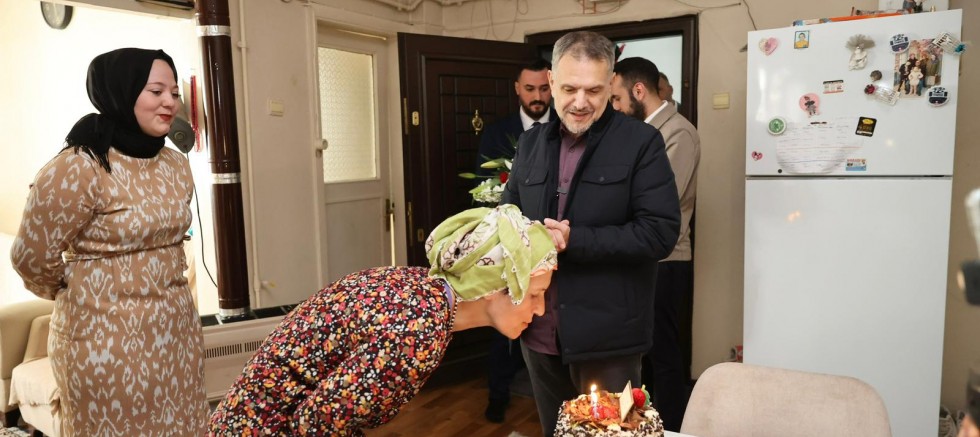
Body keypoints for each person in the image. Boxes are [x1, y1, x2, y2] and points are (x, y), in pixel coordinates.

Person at [207, 205, 558, 436]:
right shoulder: (416, 333)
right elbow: (314, 427)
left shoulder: (421, 288)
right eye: (534, 293)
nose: (540, 309)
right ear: (492, 287)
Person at [10, 48, 208, 435]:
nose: (170, 102)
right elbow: (31, 258)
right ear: (120, 92)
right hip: (101, 343)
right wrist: (80, 290)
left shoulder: (175, 164)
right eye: (156, 91)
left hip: (176, 336)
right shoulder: (78, 166)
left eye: (173, 93)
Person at [501, 31, 681, 436]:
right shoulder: (530, 144)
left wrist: (575, 240)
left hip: (609, 340)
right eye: (569, 89)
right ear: (551, 81)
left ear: (612, 83)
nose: (580, 102)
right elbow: (507, 217)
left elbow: (660, 233)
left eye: (594, 90)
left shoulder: (641, 143)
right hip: (539, 332)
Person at [610, 57, 701, 432]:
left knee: (663, 350)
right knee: (637, 351)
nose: (614, 107)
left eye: (616, 98)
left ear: (638, 91)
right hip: (637, 258)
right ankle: (639, 425)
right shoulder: (638, 132)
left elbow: (661, 202)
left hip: (666, 259)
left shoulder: (678, 133)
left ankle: (673, 427)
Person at [474, 58, 556, 423]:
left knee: (545, 318)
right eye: (530, 89)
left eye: (544, 89)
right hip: (505, 246)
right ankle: (498, 395)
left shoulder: (564, 128)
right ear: (517, 89)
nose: (538, 96)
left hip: (549, 244)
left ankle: (553, 402)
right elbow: (481, 186)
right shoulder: (496, 133)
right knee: (501, 324)